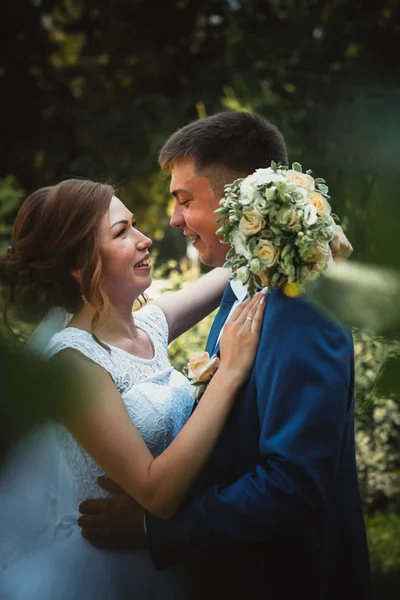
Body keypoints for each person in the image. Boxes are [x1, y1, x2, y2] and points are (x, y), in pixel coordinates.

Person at [80, 112, 372, 600]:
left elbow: (293, 486)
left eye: (185, 199)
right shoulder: (243, 288)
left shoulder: (302, 308)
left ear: (241, 197)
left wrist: (157, 529)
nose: (173, 219)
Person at [0, 177, 267, 599]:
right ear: (80, 263)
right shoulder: (74, 360)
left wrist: (297, 230)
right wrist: (230, 373)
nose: (145, 240)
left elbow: (236, 268)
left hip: (170, 555)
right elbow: (156, 493)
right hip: (109, 572)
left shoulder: (148, 327)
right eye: (122, 233)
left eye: (135, 226)